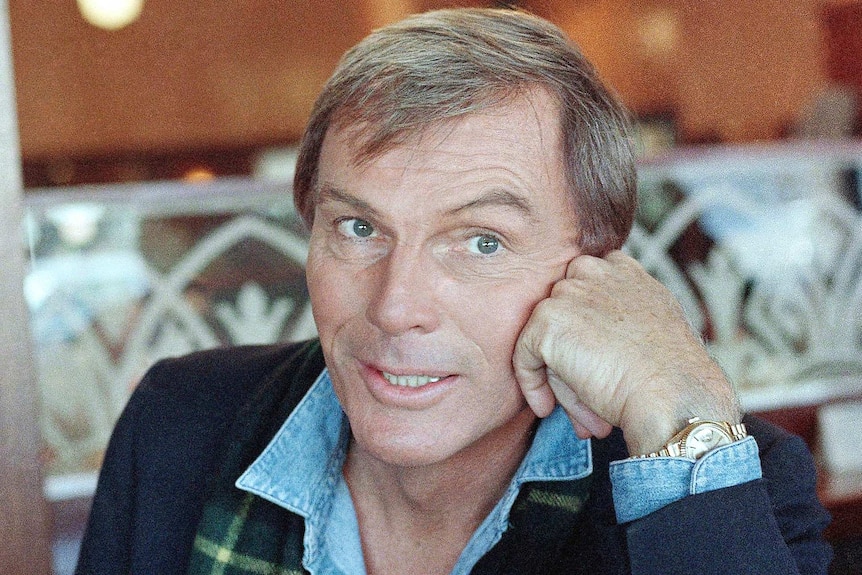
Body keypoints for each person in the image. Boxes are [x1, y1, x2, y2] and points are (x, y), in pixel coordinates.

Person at [75, 7, 832, 575]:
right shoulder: (176, 426)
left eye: (481, 242)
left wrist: (677, 408)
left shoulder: (722, 492)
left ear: (597, 275)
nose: (397, 306)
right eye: (359, 228)